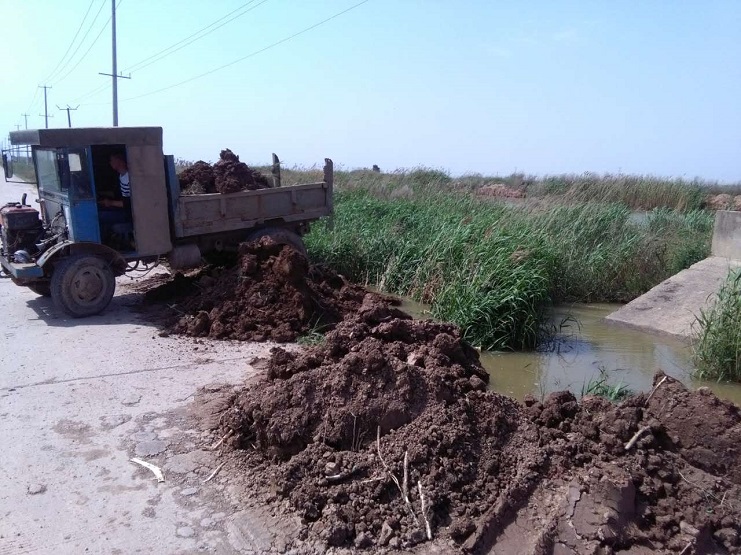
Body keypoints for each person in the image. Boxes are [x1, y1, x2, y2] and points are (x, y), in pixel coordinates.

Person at [98, 153, 133, 247]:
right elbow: (117, 194)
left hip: (128, 214)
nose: (110, 163)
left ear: (119, 161)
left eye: (112, 160)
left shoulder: (129, 178)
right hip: (123, 210)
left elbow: (130, 203)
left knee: (99, 216)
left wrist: (110, 203)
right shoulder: (121, 176)